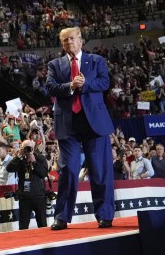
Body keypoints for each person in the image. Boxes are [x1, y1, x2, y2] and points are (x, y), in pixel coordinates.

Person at [46, 27, 115, 230]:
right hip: (68, 125)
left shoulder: (96, 60)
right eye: (65, 40)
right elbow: (50, 87)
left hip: (94, 124)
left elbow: (105, 82)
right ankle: (62, 217)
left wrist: (85, 83)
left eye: (72, 39)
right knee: (68, 170)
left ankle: (104, 215)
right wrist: (70, 86)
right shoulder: (54, 65)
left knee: (100, 170)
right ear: (62, 44)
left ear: (81, 40)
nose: (69, 43)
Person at [6, 139, 48, 230]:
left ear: (34, 148)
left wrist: (34, 162)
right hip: (24, 197)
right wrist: (18, 156)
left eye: (30, 148)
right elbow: (9, 169)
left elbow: (43, 173)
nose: (28, 150)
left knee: (43, 224)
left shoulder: (40, 158)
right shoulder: (20, 160)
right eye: (25, 148)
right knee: (23, 226)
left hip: (39, 196)